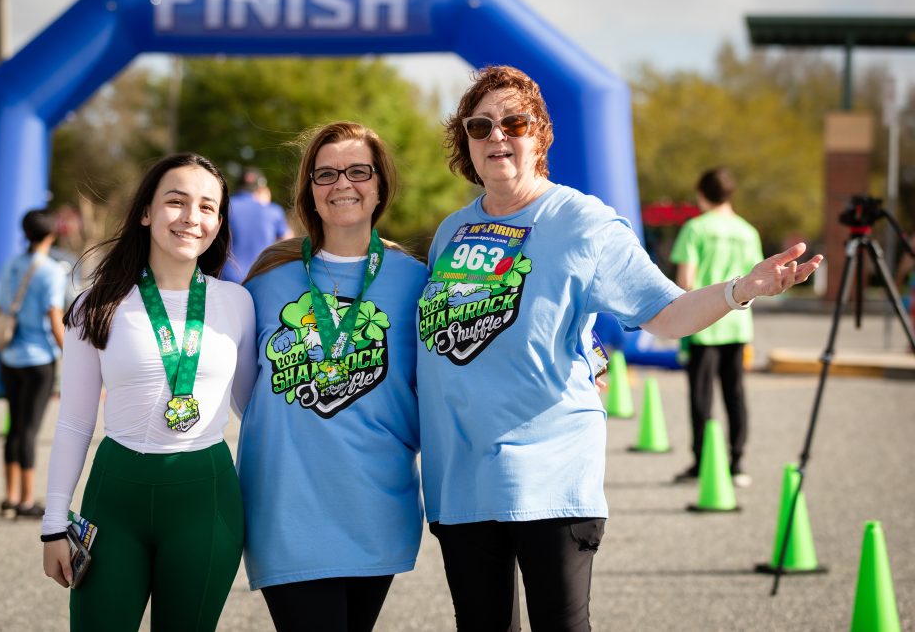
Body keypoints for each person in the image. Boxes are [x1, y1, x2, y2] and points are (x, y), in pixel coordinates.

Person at [416, 65, 822, 631]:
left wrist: (740, 290)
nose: (497, 137)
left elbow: (666, 311)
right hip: (459, 481)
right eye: (480, 126)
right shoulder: (450, 232)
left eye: (514, 121)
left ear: (541, 134)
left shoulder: (581, 221)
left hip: (548, 479)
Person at [40, 153, 257, 631]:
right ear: (146, 212)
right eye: (175, 202)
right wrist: (54, 522)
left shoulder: (237, 303)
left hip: (207, 497)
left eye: (206, 207)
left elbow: (254, 409)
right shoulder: (95, 306)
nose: (190, 218)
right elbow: (75, 421)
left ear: (219, 222)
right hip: (116, 495)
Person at [237, 121, 425, 632]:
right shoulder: (266, 279)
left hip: (377, 506)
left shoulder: (416, 280)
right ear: (309, 192)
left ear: (380, 185)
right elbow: (243, 393)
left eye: (358, 170)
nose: (343, 183)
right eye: (326, 174)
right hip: (287, 509)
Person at [670, 167, 764, 487]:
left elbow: (686, 281)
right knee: (735, 394)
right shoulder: (748, 232)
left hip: (703, 325)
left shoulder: (695, 229)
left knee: (701, 396)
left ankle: (703, 461)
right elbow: (756, 281)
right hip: (738, 325)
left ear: (701, 193)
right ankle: (737, 462)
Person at [0, 208, 66, 519]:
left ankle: (10, 496)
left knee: (14, 427)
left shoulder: (11, 265)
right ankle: (27, 500)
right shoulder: (51, 271)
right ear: (51, 235)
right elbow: (55, 320)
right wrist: (75, 356)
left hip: (9, 357)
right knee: (29, 431)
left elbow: (1, 309)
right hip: (39, 360)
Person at [220, 167, 292, 283]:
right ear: (262, 189)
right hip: (261, 280)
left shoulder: (224, 206)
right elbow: (289, 243)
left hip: (226, 280)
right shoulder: (273, 211)